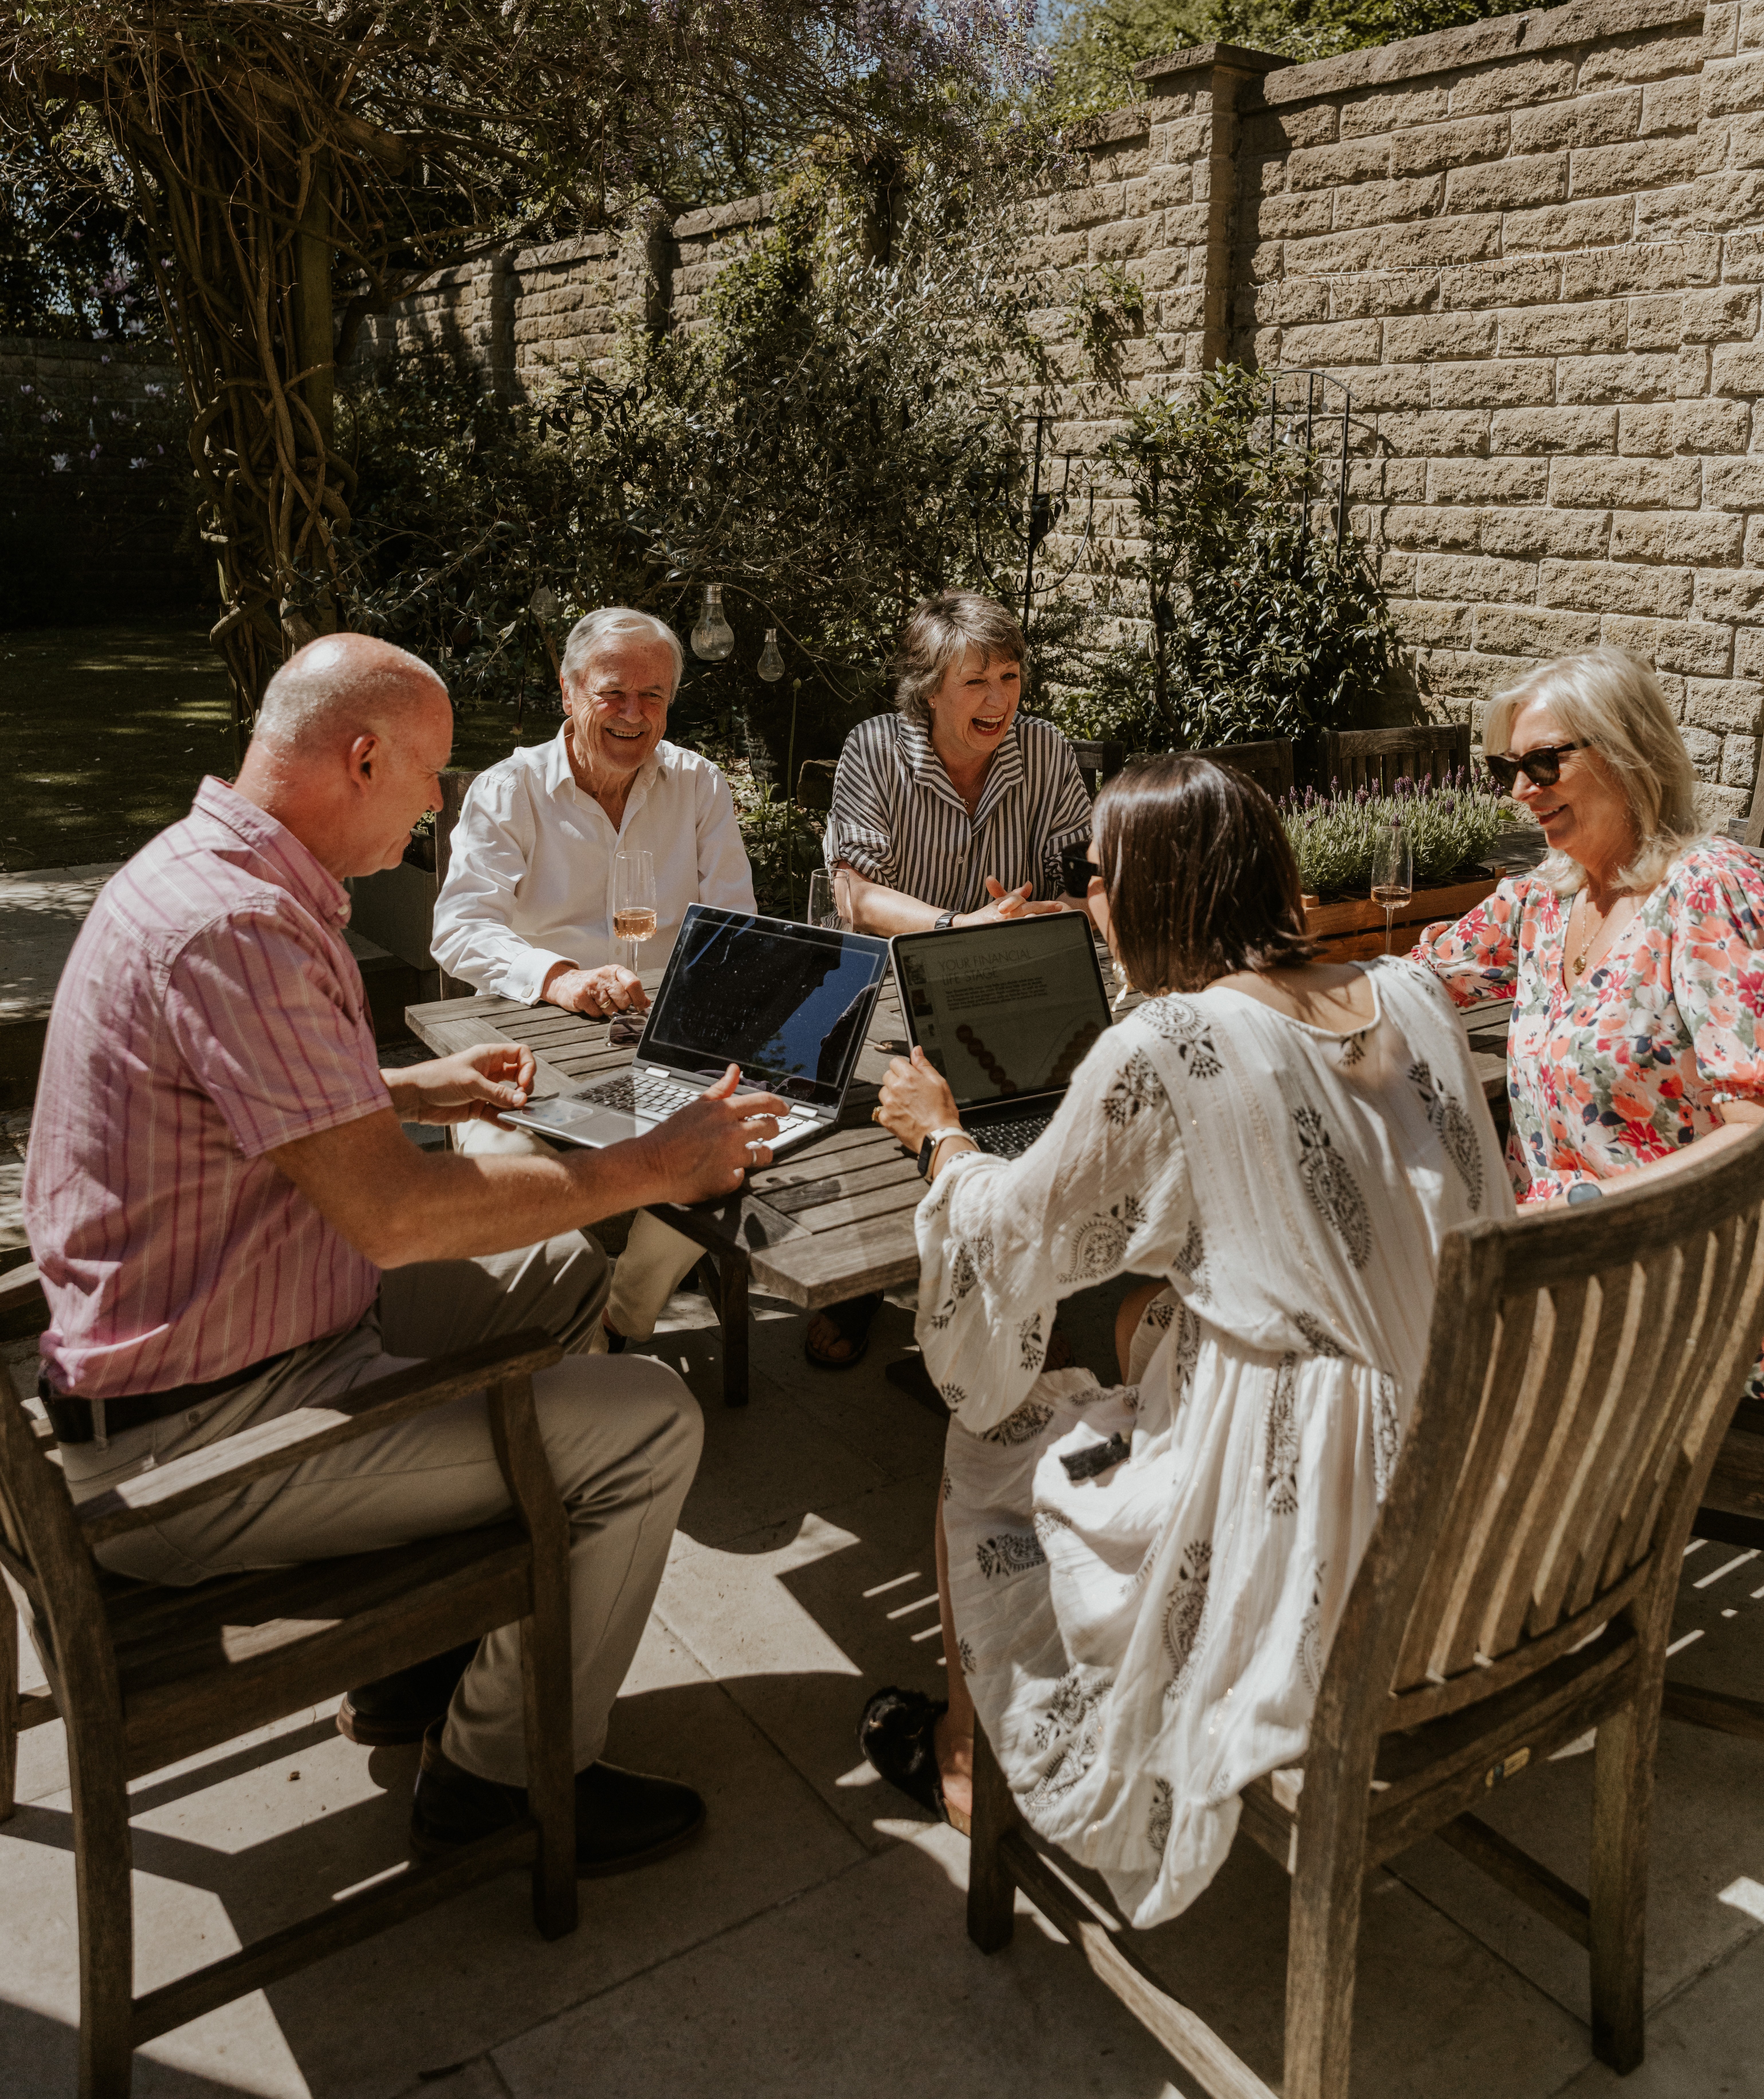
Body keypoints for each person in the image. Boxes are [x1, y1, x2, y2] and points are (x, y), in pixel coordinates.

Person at [23, 632, 784, 1874]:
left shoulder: (205, 872)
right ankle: (503, 1771)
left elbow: (242, 1096)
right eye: (429, 776)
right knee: (648, 1417)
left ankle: (437, 1644)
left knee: (562, 1273)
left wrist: (406, 1086)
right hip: (199, 1444)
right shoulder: (244, 926)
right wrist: (654, 1165)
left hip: (216, 1335)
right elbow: (397, 1218)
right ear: (362, 754)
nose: (440, 806)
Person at [861, 755, 1511, 1929]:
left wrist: (943, 1140)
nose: (1085, 899)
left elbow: (1014, 1238)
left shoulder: (1163, 1040)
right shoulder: (1412, 992)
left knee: (987, 1428)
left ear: (1147, 893)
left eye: (1092, 877)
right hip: (1465, 1462)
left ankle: (968, 1750)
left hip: (1315, 1525)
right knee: (1139, 1321)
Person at [431, 606, 756, 1354]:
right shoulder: (511, 789)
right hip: (531, 1047)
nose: (634, 716)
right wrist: (560, 979)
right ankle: (544, 1339)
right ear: (570, 690)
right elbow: (458, 928)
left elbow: (732, 925)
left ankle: (620, 1317)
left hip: (667, 1042)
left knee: (730, 1146)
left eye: (654, 697)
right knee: (503, 1178)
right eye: (614, 693)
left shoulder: (698, 787)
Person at [812, 588, 1094, 1368]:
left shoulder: (1042, 751)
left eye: (1008, 676)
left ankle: (1029, 1300)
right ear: (927, 690)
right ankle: (856, 1287)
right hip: (892, 984)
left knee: (1041, 1105)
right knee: (877, 1111)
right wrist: (956, 929)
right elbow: (855, 895)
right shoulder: (872, 749)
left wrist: (1074, 913)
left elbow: (1083, 875)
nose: (998, 699)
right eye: (975, 682)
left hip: (1014, 981)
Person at [1411, 648, 1764, 1214]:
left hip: (1665, 1265)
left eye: (1543, 764)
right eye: (1508, 770)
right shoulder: (1543, 900)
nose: (1520, 791)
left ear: (1628, 753)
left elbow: (1755, 1131)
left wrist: (1580, 1206)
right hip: (1541, 1255)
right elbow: (1415, 982)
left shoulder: (1706, 890)